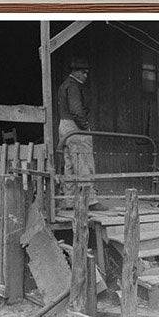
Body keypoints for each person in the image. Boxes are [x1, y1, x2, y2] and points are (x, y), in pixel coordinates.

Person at [57, 56, 96, 206]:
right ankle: (90, 200)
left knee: (70, 164)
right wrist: (85, 126)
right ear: (76, 72)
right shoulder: (73, 86)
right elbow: (76, 110)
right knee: (84, 161)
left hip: (64, 125)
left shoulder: (64, 85)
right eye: (84, 72)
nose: (86, 76)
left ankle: (69, 201)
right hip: (75, 126)